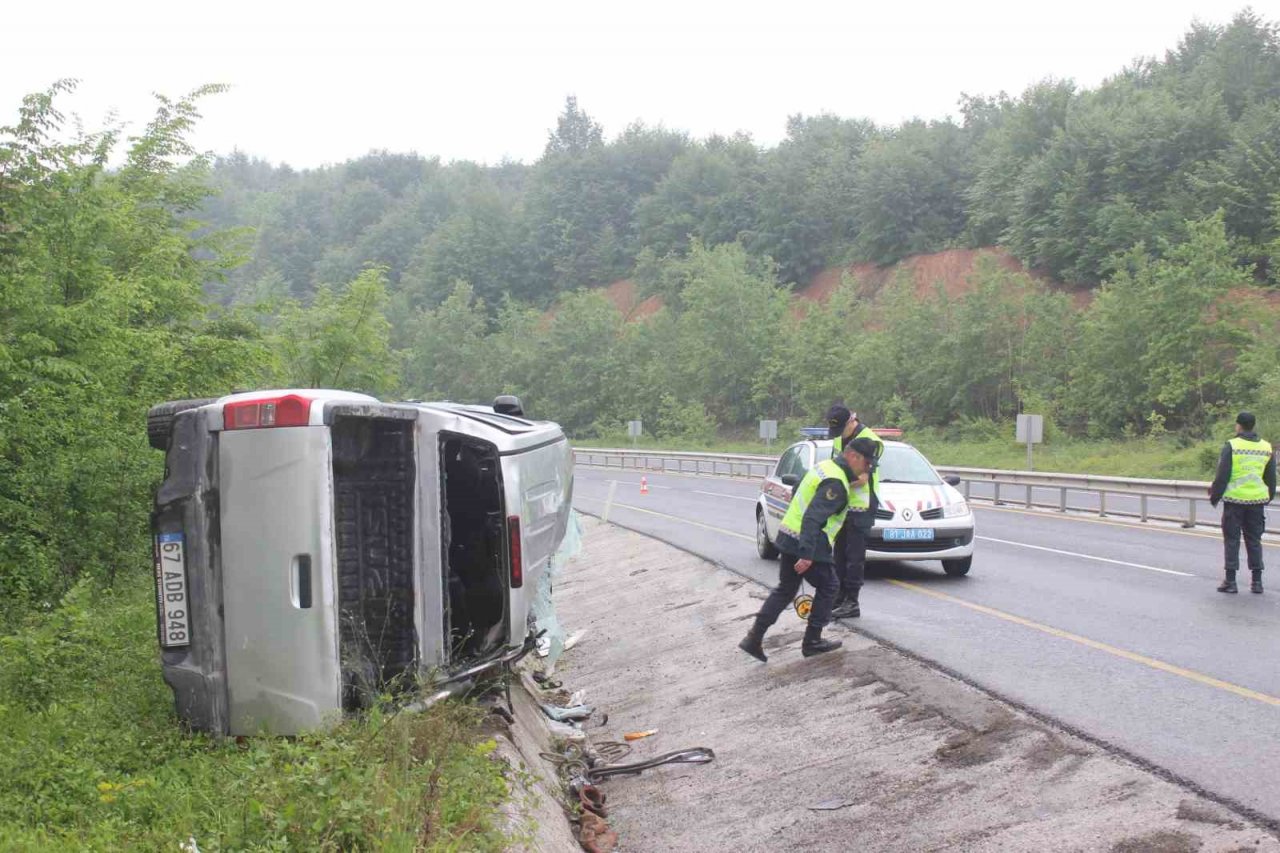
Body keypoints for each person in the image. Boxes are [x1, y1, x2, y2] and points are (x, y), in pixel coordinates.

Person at [739, 436, 879, 661]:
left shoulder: (824, 467)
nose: (868, 469)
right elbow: (813, 518)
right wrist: (806, 554)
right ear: (853, 456)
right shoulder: (836, 483)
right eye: (867, 463)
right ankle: (812, 641)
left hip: (789, 534)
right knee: (830, 585)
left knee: (786, 590)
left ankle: (753, 638)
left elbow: (797, 491)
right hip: (808, 541)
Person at [825, 405, 883, 619]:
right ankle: (838, 598)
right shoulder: (838, 439)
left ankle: (852, 601)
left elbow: (862, 478)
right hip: (843, 504)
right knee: (839, 554)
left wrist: (835, 486)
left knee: (854, 557)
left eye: (841, 429)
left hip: (862, 505)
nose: (839, 434)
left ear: (851, 421)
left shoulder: (869, 440)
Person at [1208, 411, 1275, 594]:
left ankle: (1231, 582)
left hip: (1234, 502)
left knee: (1232, 540)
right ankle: (1257, 582)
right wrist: (1268, 497)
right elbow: (1270, 477)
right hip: (1256, 502)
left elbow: (1223, 475)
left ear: (1238, 425)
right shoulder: (1266, 447)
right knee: (1254, 540)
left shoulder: (1232, 445)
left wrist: (1215, 496)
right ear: (1253, 425)